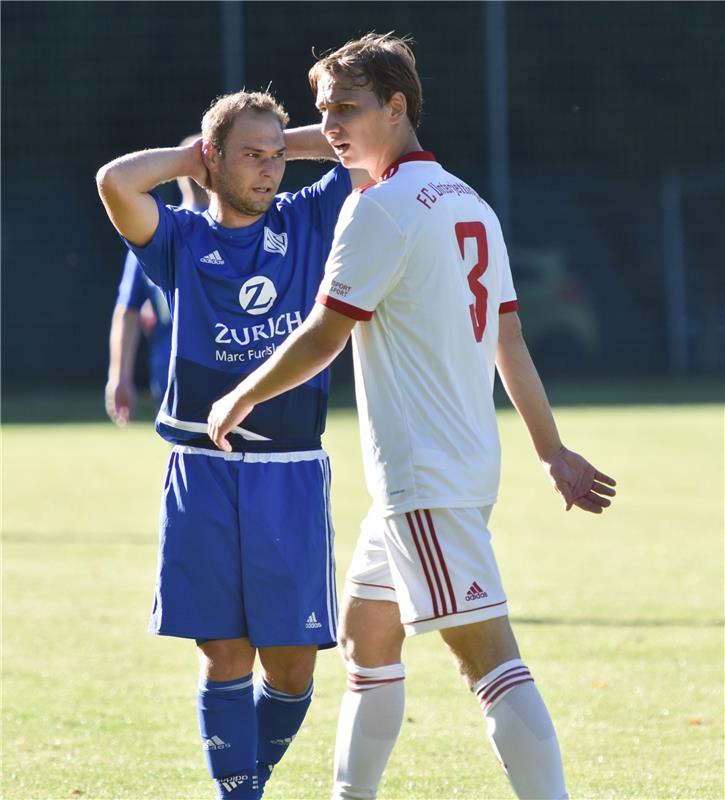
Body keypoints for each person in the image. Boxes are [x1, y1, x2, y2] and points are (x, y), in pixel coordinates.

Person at [206, 34, 617, 800]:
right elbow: (509, 337)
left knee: (488, 660)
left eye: (347, 108)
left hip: (424, 478)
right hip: (438, 471)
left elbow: (325, 334)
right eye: (323, 108)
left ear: (397, 108)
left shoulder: (379, 210)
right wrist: (549, 451)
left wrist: (243, 393)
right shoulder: (467, 200)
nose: (330, 124)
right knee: (367, 638)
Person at [97, 90, 366, 799]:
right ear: (214, 160)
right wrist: (197, 156)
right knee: (222, 652)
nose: (269, 170)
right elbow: (116, 181)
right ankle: (237, 794)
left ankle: (246, 776)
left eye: (277, 157)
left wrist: (280, 141)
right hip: (201, 472)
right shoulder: (179, 238)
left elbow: (364, 149)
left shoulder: (307, 219)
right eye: (252, 156)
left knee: (292, 671)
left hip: (288, 471)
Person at [105, 141, 209, 423]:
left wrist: (119, 376)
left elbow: (127, 311)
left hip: (171, 370)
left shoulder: (153, 232)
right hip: (229, 366)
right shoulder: (231, 230)